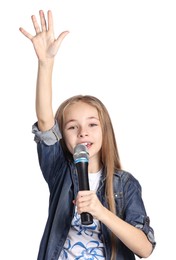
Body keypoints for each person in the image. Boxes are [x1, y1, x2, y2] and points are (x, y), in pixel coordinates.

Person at [19, 10, 156, 260]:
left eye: (92, 124)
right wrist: (45, 64)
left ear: (105, 131)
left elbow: (144, 248)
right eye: (72, 127)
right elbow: (46, 123)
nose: (83, 132)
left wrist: (101, 212)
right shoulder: (61, 173)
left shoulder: (125, 185)